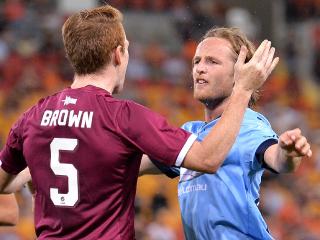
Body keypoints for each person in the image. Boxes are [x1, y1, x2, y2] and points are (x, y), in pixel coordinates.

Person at [0, 5, 278, 240]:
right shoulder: (124, 117)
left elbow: (6, 184)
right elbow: (208, 158)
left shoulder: (33, 117)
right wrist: (243, 89)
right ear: (119, 54)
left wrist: (34, 178)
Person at [140, 27, 312, 240]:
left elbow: (276, 159)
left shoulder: (248, 123)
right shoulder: (190, 132)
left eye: (212, 62)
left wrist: (288, 153)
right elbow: (134, 164)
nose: (200, 69)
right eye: (197, 61)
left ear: (240, 75)